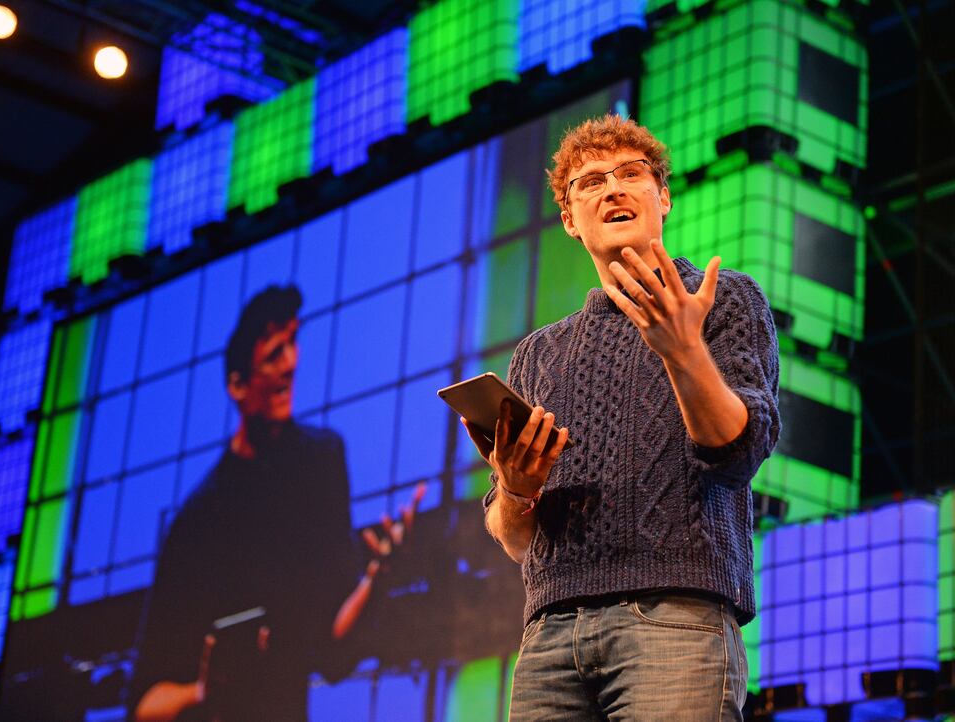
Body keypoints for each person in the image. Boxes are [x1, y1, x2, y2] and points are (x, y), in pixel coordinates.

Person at [462, 114, 780, 721]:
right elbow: (513, 537)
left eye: (631, 173)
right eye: (589, 182)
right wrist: (515, 489)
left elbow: (738, 452)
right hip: (551, 637)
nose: (612, 188)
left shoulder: (724, 301)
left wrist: (683, 350)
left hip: (676, 620)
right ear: (569, 220)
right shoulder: (539, 352)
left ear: (661, 196)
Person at [130, 285, 420, 722]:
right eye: (272, 355)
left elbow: (332, 651)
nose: (290, 365)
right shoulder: (196, 522)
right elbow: (145, 704)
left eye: (291, 345)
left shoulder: (320, 460)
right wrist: (205, 693)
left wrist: (376, 578)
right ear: (237, 385)